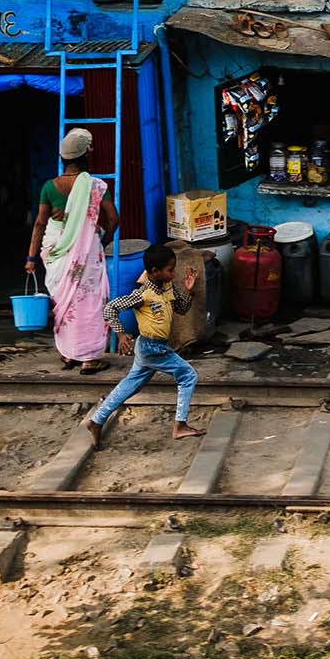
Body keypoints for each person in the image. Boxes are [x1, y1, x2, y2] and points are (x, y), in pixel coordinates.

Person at [83, 243, 202, 446]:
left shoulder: (168, 287)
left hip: (150, 348)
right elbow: (110, 308)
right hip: (152, 348)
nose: (173, 274)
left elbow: (181, 309)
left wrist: (189, 291)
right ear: (155, 271)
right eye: (170, 270)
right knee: (188, 375)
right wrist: (121, 335)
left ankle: (96, 420)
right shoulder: (143, 294)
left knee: (130, 385)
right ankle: (180, 425)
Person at [27, 127, 118, 374]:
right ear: (85, 156)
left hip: (56, 251)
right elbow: (113, 219)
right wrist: (102, 241)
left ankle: (69, 355)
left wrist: (31, 257)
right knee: (90, 302)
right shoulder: (97, 186)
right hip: (87, 254)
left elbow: (40, 223)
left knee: (64, 302)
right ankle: (89, 358)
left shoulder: (49, 187)